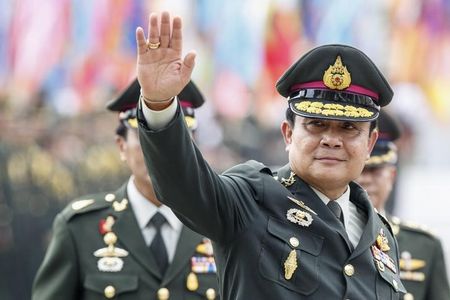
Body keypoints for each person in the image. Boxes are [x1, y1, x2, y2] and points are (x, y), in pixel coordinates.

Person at [135, 11, 407, 299]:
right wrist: (159, 103)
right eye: (316, 125)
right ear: (288, 134)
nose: (331, 140)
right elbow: (185, 187)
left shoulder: (380, 233)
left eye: (348, 128)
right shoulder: (251, 198)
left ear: (369, 142)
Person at [32, 79, 219, 300]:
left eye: (176, 140)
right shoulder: (80, 229)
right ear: (121, 146)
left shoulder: (217, 226)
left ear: (193, 147)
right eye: (146, 138)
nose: (160, 152)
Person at [356, 109, 450, 300]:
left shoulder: (424, 245)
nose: (365, 180)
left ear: (391, 176)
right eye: (360, 170)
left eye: (374, 171)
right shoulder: (328, 233)